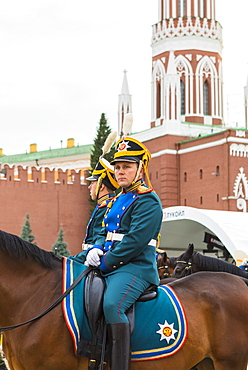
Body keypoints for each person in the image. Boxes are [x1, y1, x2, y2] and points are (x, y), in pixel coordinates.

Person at [84, 117, 163, 370]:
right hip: (112, 261)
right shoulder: (118, 198)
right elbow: (105, 231)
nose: (120, 171)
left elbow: (134, 243)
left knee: (112, 304)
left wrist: (105, 263)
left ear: (140, 168)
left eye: (127, 166)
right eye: (117, 167)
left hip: (135, 267)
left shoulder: (148, 201)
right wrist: (95, 247)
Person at [70, 157, 119, 263]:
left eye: (92, 183)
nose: (89, 187)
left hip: (95, 259)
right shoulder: (103, 205)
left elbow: (98, 241)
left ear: (101, 186)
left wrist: (73, 260)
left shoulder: (107, 207)